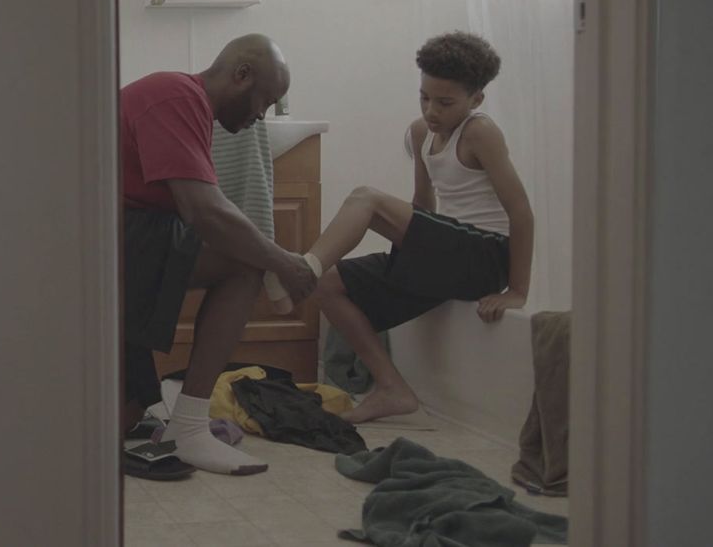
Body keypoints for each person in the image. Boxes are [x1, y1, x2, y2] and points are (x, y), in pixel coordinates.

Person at [303, 31, 534, 424]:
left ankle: (300, 267)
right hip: (446, 252)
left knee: (367, 198)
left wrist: (517, 290)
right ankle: (392, 388)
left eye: (445, 102)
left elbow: (521, 212)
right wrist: (402, 250)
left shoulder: (480, 132)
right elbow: (423, 206)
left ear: (475, 100)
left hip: (483, 255)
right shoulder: (420, 132)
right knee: (328, 285)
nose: (432, 110)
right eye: (424, 97)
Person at [121, 34, 317, 476]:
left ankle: (178, 424)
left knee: (125, 419)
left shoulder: (184, 102)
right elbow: (204, 210)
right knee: (247, 261)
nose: (260, 116)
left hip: (118, 234)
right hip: (109, 236)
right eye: (262, 100)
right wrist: (283, 261)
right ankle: (188, 429)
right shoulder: (175, 94)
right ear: (241, 75)